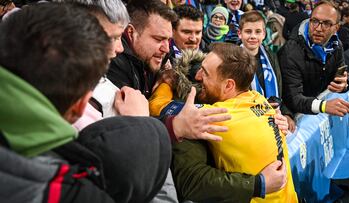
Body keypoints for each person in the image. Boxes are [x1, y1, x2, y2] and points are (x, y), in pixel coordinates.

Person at [0, 3, 171, 203]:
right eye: (108, 38)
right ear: (80, 105)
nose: (119, 48)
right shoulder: (75, 188)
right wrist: (143, 131)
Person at [149, 43, 296, 202]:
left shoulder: (219, 116)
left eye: (205, 73)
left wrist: (167, 80)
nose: (198, 77)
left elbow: (156, 106)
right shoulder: (259, 99)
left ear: (228, 85)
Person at [108, 0, 231, 142]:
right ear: (131, 33)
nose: (166, 48)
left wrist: (165, 77)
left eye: (168, 40)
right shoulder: (114, 64)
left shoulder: (157, 57)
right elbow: (127, 133)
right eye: (159, 39)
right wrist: (175, 127)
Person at [278, 0, 349, 116]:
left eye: (327, 23)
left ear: (336, 28)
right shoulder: (290, 52)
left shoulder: (337, 46)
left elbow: (339, 78)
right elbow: (293, 98)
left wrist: (343, 85)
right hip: (295, 117)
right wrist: (323, 106)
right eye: (315, 21)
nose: (318, 28)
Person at [238, 10, 295, 132]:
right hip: (250, 126)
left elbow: (281, 89)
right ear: (239, 34)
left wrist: (287, 114)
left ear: (264, 34)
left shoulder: (272, 56)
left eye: (258, 32)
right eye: (248, 31)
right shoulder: (233, 62)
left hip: (277, 119)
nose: (253, 36)